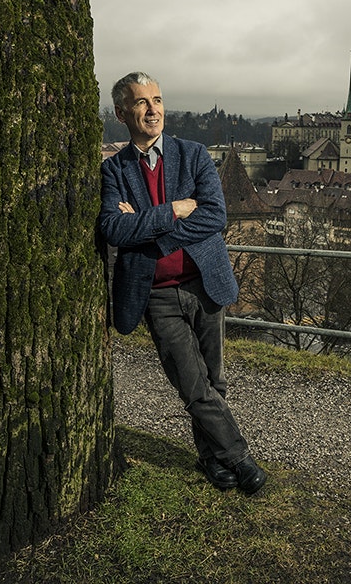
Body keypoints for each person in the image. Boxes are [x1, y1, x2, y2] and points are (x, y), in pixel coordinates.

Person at [98, 71, 267, 496]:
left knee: (215, 381)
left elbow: (215, 217)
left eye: (157, 99)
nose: (153, 109)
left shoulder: (192, 155)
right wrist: (174, 210)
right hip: (155, 294)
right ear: (122, 113)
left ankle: (212, 459)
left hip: (203, 283)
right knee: (194, 387)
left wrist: (148, 229)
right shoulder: (114, 169)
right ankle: (240, 458)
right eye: (141, 103)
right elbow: (114, 229)